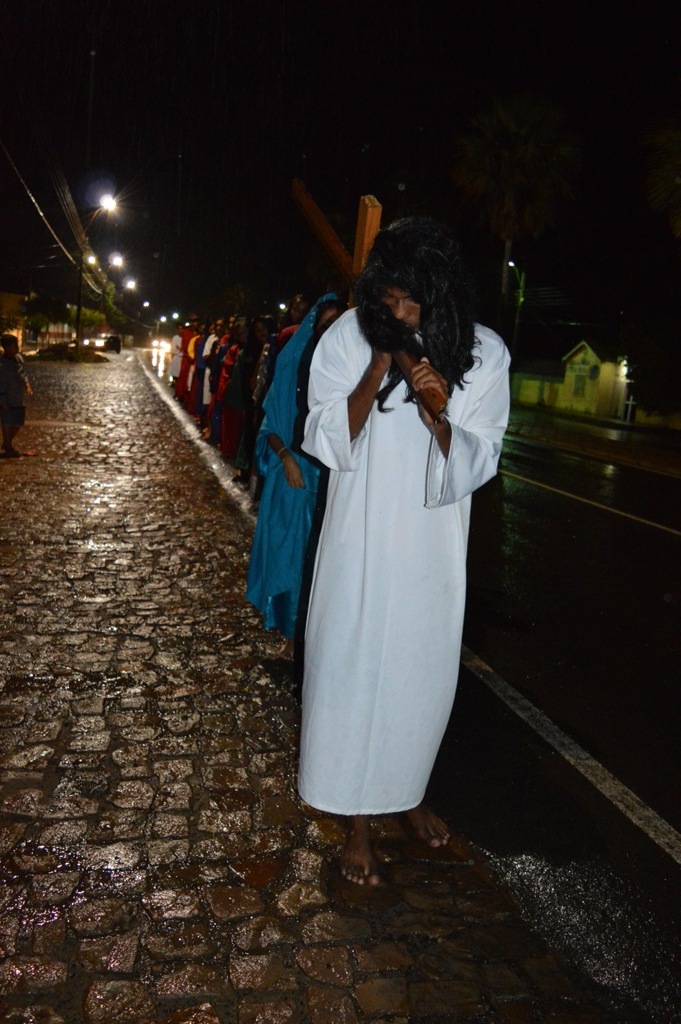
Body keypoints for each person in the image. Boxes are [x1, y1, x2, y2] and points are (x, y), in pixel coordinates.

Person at [298, 217, 511, 885]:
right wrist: (378, 368)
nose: (397, 312)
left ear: (440, 296)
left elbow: (480, 456)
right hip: (357, 544)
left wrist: (436, 414)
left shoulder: (484, 353)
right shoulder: (347, 337)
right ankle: (357, 824)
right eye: (386, 297)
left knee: (419, 680)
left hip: (429, 549)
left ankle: (408, 793)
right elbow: (325, 434)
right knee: (350, 674)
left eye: (411, 301)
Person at [246, 294, 346, 658]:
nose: (331, 333)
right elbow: (269, 426)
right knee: (291, 557)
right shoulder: (293, 366)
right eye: (325, 326)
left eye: (339, 326)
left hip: (333, 480)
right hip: (296, 478)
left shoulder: (348, 373)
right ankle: (291, 637)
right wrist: (287, 458)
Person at [0, 334, 33, 458]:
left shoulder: (18, 359)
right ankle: (8, 447)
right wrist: (2, 400)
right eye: (15, 345)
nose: (17, 348)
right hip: (6, 397)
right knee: (7, 422)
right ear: (7, 347)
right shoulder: (2, 365)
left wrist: (27, 385)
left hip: (18, 397)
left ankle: (7, 444)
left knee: (18, 421)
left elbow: (23, 373)